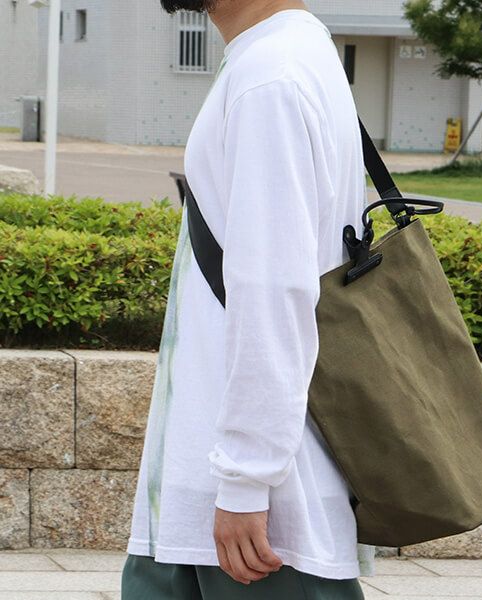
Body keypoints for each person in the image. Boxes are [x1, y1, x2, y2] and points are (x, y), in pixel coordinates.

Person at [121, 0, 374, 597]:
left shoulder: (270, 75)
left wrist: (245, 481)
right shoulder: (283, 55)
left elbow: (273, 288)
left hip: (255, 525)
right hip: (208, 497)